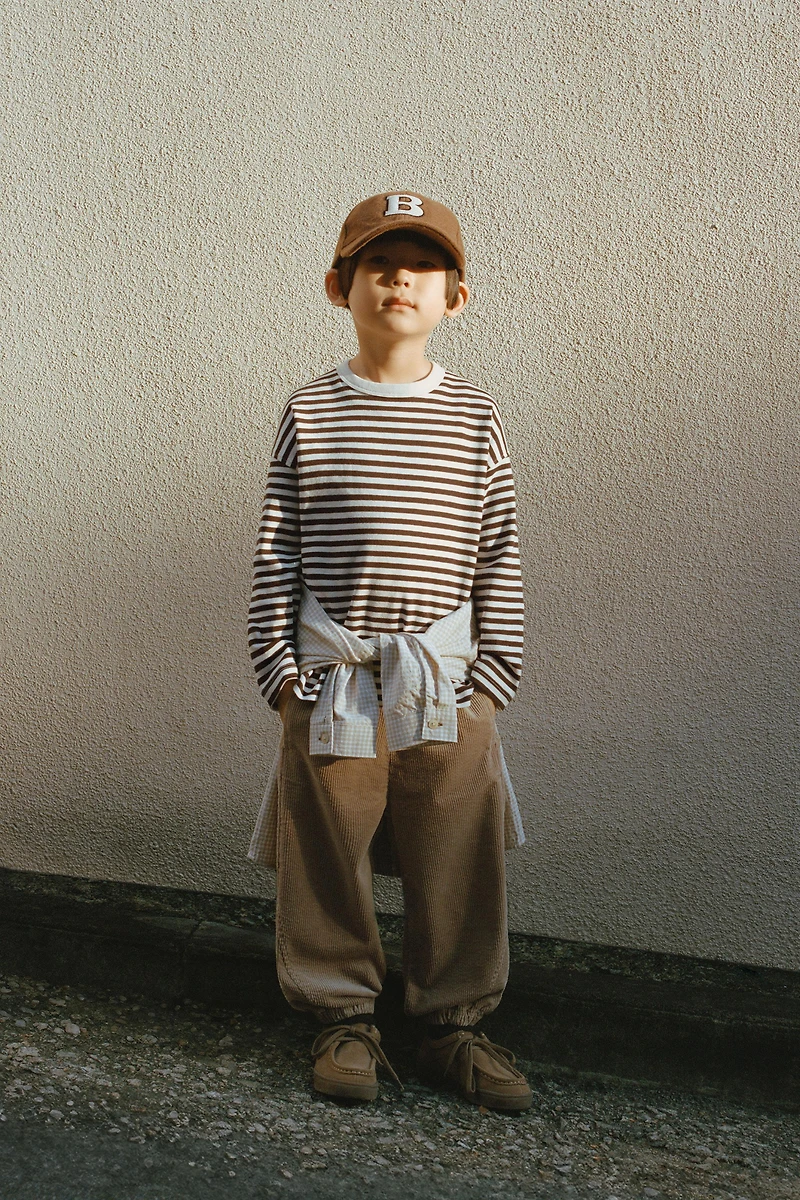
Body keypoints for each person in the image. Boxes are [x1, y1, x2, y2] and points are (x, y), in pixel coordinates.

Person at [246, 192, 530, 1111]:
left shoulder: (475, 414)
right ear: (341, 287)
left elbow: (498, 549)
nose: (399, 278)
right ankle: (342, 1016)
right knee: (328, 849)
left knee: (457, 849)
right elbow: (278, 548)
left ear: (457, 296)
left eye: (422, 265)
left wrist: (492, 678)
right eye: (377, 263)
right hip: (332, 680)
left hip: (446, 679)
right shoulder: (312, 409)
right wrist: (280, 672)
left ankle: (453, 1025)